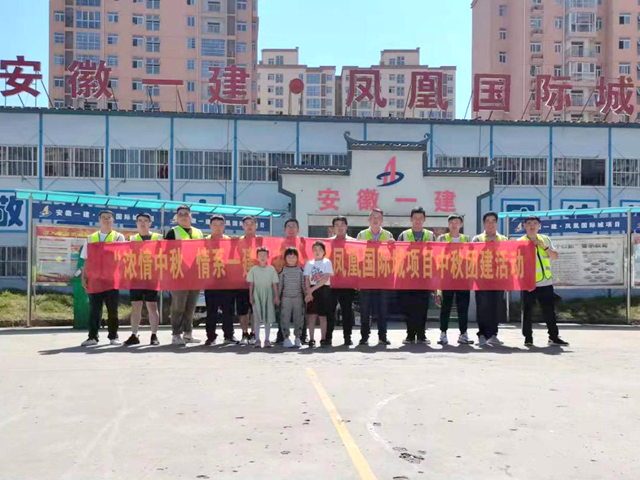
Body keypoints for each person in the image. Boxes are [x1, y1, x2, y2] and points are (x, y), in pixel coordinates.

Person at [518, 216, 570, 347]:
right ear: (524, 226)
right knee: (527, 312)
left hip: (546, 282)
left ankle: (553, 337)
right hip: (529, 284)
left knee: (549, 311)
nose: (532, 226)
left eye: (535, 223)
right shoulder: (520, 242)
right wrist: (523, 283)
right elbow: (516, 264)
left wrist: (543, 246)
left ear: (539, 226)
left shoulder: (545, 239)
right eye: (529, 223)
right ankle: (528, 338)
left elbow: (555, 256)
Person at [80, 210, 126, 346]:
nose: (106, 220)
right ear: (99, 220)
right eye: (103, 218)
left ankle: (113, 336)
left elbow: (122, 257)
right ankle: (92, 337)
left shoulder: (119, 237)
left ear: (113, 220)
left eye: (109, 218)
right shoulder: (90, 238)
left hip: (111, 279)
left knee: (113, 310)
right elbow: (86, 258)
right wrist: (84, 275)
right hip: (95, 279)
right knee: (94, 310)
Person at [164, 205, 204, 346]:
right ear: (176, 217)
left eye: (186, 214)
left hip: (195, 274)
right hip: (178, 275)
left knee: (191, 306)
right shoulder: (172, 232)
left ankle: (188, 333)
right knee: (178, 306)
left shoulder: (198, 232)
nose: (183, 216)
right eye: (180, 214)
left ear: (191, 216)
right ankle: (176, 334)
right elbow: (166, 253)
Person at [356, 208, 395, 346]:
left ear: (382, 220)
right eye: (373, 217)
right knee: (365, 309)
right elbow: (356, 254)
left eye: (378, 217)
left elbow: (393, 256)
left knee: (383, 309)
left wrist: (393, 246)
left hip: (382, 277)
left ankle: (382, 336)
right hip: (366, 276)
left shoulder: (388, 235)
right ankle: (364, 337)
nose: (375, 219)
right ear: (369, 219)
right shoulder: (362, 234)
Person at [398, 207, 435, 345]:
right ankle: (410, 334)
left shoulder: (430, 235)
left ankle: (421, 335)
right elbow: (397, 254)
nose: (418, 221)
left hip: (424, 277)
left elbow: (436, 255)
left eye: (420, 218)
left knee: (422, 307)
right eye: (415, 218)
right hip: (408, 276)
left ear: (424, 219)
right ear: (411, 219)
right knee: (408, 307)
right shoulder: (404, 235)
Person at [124, 213, 163, 347]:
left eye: (145, 220)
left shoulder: (158, 238)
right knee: (136, 306)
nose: (142, 223)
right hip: (136, 276)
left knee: (152, 306)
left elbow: (165, 255)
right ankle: (134, 335)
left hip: (152, 276)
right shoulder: (132, 239)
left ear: (150, 223)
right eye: (140, 220)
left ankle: (154, 335)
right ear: (136, 223)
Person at [435, 214, 474, 346]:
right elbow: (437, 256)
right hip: (447, 277)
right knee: (445, 307)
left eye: (457, 222)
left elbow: (471, 257)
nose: (454, 225)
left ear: (461, 225)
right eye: (451, 222)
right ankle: (443, 333)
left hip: (463, 278)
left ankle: (463, 333)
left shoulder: (466, 239)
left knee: (463, 307)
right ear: (448, 224)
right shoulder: (441, 238)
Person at [472, 212, 508, 347]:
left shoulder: (503, 239)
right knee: (483, 307)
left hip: (498, 278)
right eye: (488, 221)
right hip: (482, 278)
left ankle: (493, 334)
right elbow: (472, 257)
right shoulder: (478, 239)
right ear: (484, 223)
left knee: (496, 307)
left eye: (493, 220)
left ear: (497, 223)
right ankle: (482, 334)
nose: (491, 223)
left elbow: (508, 259)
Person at [204, 214, 237, 346]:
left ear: (224, 226)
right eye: (215, 225)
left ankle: (229, 335)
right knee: (211, 311)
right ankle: (211, 337)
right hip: (210, 282)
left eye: (220, 225)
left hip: (226, 281)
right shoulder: (204, 241)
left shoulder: (230, 241)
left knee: (228, 311)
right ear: (210, 226)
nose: (217, 227)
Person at [274, 218, 306, 344]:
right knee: (283, 315)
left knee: (300, 315)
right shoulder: (279, 244)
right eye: (289, 226)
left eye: (294, 226)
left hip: (299, 287)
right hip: (284, 286)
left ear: (298, 229)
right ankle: (283, 336)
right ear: (284, 229)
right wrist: (277, 295)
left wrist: (307, 293)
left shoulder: (303, 243)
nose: (291, 229)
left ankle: (301, 336)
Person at [327, 216, 356, 346]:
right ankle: (328, 337)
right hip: (331, 282)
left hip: (347, 282)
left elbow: (359, 261)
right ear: (333, 228)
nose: (340, 227)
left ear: (346, 226)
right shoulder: (328, 243)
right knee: (330, 311)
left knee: (347, 311)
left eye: (342, 224)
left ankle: (347, 337)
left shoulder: (354, 243)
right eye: (337, 225)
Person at [247, 247, 279, 348]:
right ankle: (257, 340)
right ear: (257, 257)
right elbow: (251, 284)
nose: (262, 257)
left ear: (268, 256)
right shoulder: (253, 269)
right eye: (260, 255)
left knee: (267, 319)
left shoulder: (271, 269)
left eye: (264, 255)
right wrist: (250, 296)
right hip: (257, 294)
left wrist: (276, 296)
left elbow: (274, 284)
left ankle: (267, 340)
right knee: (257, 319)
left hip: (268, 294)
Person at [303, 241, 334, 348]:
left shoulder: (327, 262)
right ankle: (311, 339)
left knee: (323, 316)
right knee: (311, 316)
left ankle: (323, 338)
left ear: (324, 251)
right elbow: (306, 279)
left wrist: (311, 290)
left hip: (323, 290)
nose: (317, 251)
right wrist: (309, 292)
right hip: (311, 290)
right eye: (315, 249)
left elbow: (325, 278)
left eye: (320, 249)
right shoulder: (309, 263)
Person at [236, 215, 261, 345]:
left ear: (256, 225)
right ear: (242, 226)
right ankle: (244, 334)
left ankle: (254, 333)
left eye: (252, 223)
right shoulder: (237, 242)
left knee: (255, 310)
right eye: (246, 224)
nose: (249, 226)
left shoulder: (262, 241)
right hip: (242, 281)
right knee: (243, 311)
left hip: (258, 282)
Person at [279, 247, 305, 348]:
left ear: (297, 258)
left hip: (298, 298)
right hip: (286, 298)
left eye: (294, 257)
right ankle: (286, 338)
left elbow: (303, 285)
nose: (291, 259)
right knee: (285, 318)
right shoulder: (283, 270)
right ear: (285, 258)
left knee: (298, 318)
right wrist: (277, 297)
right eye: (289, 257)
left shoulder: (300, 270)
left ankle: (298, 337)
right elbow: (280, 285)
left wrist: (306, 295)